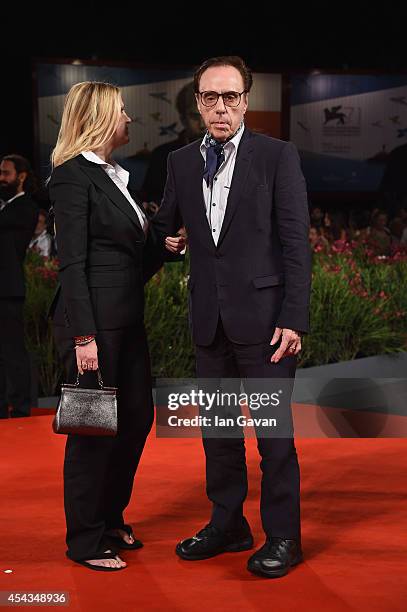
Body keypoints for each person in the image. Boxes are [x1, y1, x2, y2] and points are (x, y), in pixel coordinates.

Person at [152, 56, 311, 578]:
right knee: (218, 435)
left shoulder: (277, 156)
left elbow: (295, 245)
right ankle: (228, 524)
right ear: (198, 102)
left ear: (246, 100)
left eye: (231, 97)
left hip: (267, 324)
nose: (221, 108)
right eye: (211, 98)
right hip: (209, 321)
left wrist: (294, 317)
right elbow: (169, 226)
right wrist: (169, 238)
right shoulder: (179, 162)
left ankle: (284, 536)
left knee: (272, 437)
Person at [48, 81, 159, 571]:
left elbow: (128, 257)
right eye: (122, 111)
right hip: (93, 327)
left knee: (135, 421)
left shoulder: (116, 177)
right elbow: (72, 265)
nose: (129, 120)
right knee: (93, 431)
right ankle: (85, 540)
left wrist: (162, 249)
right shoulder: (72, 177)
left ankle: (110, 517)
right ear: (99, 117)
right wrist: (84, 337)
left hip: (129, 323)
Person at [0, 154, 39, 419]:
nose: (1, 178)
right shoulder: (6, 208)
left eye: (6, 173)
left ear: (21, 176)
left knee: (12, 349)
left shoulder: (25, 207)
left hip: (9, 288)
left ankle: (21, 405)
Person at [140, 81, 206, 213]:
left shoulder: (230, 153)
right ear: (183, 119)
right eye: (195, 116)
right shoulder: (161, 155)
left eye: (206, 114)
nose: (202, 124)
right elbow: (149, 197)